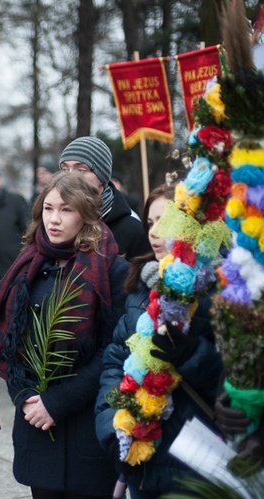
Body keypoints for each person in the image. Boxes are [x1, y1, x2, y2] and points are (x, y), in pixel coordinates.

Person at [0, 171, 129, 499]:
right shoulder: (27, 265)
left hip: (84, 425)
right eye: (48, 208)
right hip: (35, 422)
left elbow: (115, 351)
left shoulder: (113, 270)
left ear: (87, 214)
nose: (54, 219)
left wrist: (57, 402)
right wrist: (25, 397)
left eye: (66, 209)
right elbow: (12, 339)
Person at [95, 184, 223, 498]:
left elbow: (240, 376)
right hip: (142, 465)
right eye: (149, 223)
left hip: (198, 465)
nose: (154, 232)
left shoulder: (222, 292)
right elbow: (115, 362)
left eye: (164, 221)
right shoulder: (141, 286)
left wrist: (193, 354)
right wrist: (113, 426)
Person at [58, 136, 150, 259]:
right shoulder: (53, 224)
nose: (69, 177)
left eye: (80, 170)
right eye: (64, 169)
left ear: (101, 177)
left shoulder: (133, 232)